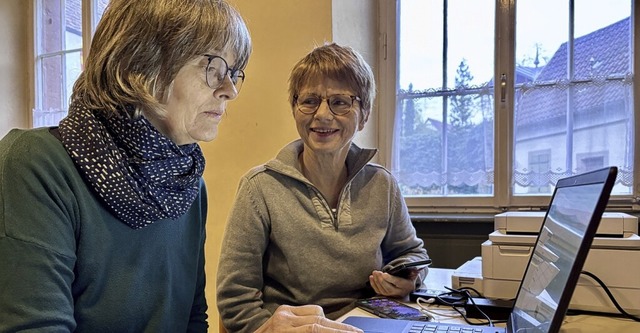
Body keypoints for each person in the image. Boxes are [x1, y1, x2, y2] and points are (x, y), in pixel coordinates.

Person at [0, 0, 251, 331]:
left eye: (234, 74)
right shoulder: (35, 164)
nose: (230, 90)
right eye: (213, 67)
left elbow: (192, 321)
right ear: (140, 63)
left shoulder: (187, 186)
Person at [217, 43, 430, 333]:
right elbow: (235, 300)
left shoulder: (382, 184)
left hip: (368, 324)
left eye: (340, 102)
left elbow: (412, 254)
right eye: (309, 101)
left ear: (364, 113)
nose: (322, 114)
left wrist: (409, 278)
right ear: (295, 109)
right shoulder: (260, 189)